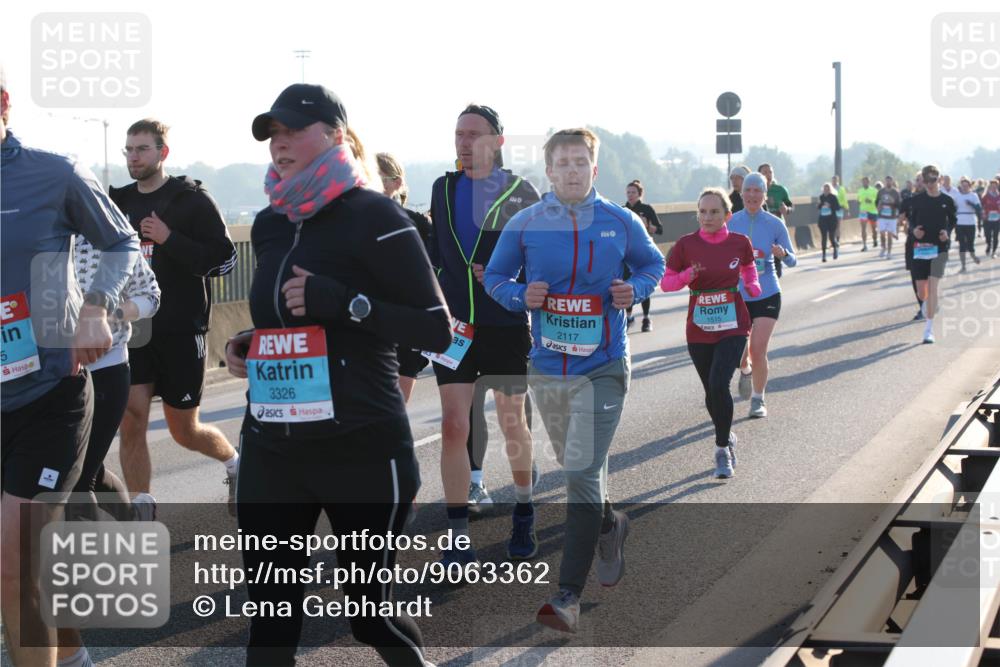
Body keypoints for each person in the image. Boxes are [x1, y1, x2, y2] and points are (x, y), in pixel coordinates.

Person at [225, 83, 451, 666]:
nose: (279, 144)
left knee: (368, 615)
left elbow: (436, 330)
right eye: (272, 134)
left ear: (336, 136)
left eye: (292, 130)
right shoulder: (273, 222)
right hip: (274, 447)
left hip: (362, 449)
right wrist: (251, 345)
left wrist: (346, 301)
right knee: (270, 624)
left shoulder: (373, 215)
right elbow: (287, 318)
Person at [485, 128, 664, 633]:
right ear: (549, 170)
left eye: (580, 162)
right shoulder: (525, 223)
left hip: (604, 366)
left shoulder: (619, 220)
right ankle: (610, 522)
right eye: (562, 162)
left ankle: (567, 596)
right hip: (548, 368)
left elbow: (654, 264)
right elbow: (495, 279)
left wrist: (636, 288)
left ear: (594, 168)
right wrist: (524, 296)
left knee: (581, 470)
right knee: (577, 465)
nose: (571, 170)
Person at [1, 81, 140, 667]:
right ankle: (72, 656)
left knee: (12, 563)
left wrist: (95, 307)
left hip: (50, 394)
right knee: (21, 572)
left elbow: (122, 241)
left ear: (3, 105)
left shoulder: (53, 174)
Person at [427, 104, 540, 564]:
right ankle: (457, 537)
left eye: (473, 134)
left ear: (497, 141)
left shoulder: (521, 192)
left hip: (504, 323)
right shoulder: (443, 188)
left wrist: (504, 276)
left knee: (512, 420)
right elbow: (434, 251)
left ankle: (524, 512)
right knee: (454, 425)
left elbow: (542, 255)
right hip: (454, 327)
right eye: (458, 134)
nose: (463, 142)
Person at [109, 119, 241, 513]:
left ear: (162, 153)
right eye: (129, 150)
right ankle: (143, 507)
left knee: (184, 430)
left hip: (182, 330)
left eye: (142, 149)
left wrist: (170, 239)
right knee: (131, 419)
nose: (134, 157)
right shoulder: (117, 202)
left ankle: (235, 463)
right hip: (135, 329)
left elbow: (226, 261)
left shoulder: (192, 200)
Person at [58, 237, 160, 667]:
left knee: (76, 478)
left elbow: (150, 296)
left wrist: (113, 313)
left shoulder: (107, 240)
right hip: (52, 374)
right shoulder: (31, 233)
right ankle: (134, 520)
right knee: (91, 470)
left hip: (106, 369)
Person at [660, 188, 760, 478]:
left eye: (714, 212)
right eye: (702, 212)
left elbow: (749, 268)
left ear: (727, 214)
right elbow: (666, 284)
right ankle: (726, 434)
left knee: (719, 383)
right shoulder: (685, 245)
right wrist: (684, 277)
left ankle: (721, 450)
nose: (707, 217)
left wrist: (752, 285)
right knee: (710, 391)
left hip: (733, 324)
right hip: (699, 327)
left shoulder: (740, 242)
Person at [728, 172, 797, 418]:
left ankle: (758, 399)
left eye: (758, 191)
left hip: (767, 293)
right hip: (739, 295)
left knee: (758, 349)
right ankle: (745, 370)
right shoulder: (731, 222)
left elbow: (793, 260)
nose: (752, 195)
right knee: (739, 352)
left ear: (765, 195)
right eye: (748, 190)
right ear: (742, 193)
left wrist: (782, 255)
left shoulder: (775, 224)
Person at [376, 151, 435, 402]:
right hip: (367, 325)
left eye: (377, 178)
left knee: (394, 410)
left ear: (396, 183)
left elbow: (433, 273)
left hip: (406, 325)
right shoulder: (348, 224)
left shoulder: (419, 224)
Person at [901, 164, 956, 344]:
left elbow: (952, 221)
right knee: (921, 290)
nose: (930, 184)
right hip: (920, 248)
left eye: (933, 180)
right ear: (923, 181)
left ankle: (928, 330)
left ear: (939, 180)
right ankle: (926, 306)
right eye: (927, 180)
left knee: (933, 288)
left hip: (939, 248)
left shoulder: (947, 200)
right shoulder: (916, 200)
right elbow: (908, 222)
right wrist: (913, 231)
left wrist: (947, 232)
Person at [624, 179, 663, 332]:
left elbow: (660, 229)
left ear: (640, 194)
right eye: (628, 192)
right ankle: (628, 317)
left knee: (642, 282)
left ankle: (646, 318)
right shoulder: (623, 210)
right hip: (626, 252)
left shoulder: (646, 209)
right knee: (626, 282)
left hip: (643, 251)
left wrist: (648, 226)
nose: (630, 195)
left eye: (633, 192)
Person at [758, 163, 792, 277]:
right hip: (761, 229)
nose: (768, 174)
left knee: (776, 260)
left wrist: (786, 209)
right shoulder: (756, 190)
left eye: (770, 172)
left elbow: (790, 206)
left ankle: (775, 280)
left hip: (777, 229)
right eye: (765, 172)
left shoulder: (780, 190)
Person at [952, 176, 983, 271]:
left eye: (966, 185)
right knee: (962, 244)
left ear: (970, 186)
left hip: (970, 221)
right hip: (960, 222)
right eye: (963, 185)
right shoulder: (957, 196)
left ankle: (973, 255)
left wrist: (971, 204)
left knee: (970, 244)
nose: (964, 187)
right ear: (960, 186)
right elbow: (953, 208)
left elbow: (979, 209)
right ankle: (963, 265)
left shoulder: (973, 195)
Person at [876, 176, 901, 259]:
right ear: (885, 182)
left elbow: (899, 205)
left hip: (892, 216)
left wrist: (893, 203)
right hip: (882, 215)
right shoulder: (881, 191)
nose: (888, 183)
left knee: (890, 234)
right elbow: (877, 202)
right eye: (887, 181)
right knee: (882, 232)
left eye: (890, 181)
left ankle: (889, 252)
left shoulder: (895, 192)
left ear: (892, 182)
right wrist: (879, 206)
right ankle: (883, 247)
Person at [817, 182, 841, 262]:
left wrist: (830, 205)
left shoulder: (833, 197)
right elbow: (818, 207)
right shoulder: (821, 197)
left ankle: (835, 248)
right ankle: (824, 255)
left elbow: (838, 208)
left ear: (830, 190)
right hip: (823, 219)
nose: (826, 190)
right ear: (823, 190)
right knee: (824, 237)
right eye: (825, 189)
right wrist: (821, 204)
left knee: (831, 237)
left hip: (832, 219)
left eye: (828, 189)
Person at [857, 176, 879, 251]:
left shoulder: (874, 190)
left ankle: (875, 239)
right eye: (863, 181)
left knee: (873, 228)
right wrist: (861, 200)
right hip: (863, 211)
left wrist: (871, 200)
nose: (864, 183)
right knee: (863, 228)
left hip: (873, 211)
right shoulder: (860, 190)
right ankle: (864, 245)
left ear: (869, 182)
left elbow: (877, 200)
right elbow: (858, 200)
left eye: (866, 181)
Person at [981, 179, 1000, 258]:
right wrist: (983, 213)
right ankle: (989, 244)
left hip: (997, 219)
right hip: (987, 218)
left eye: (995, 186)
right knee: (987, 235)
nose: (993, 187)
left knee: (995, 235)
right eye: (992, 186)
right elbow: (981, 206)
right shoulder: (985, 196)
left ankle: (994, 251)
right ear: (990, 187)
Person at [832, 174, 849, 243]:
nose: (834, 181)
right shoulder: (830, 188)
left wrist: (847, 209)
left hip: (839, 208)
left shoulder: (841, 189)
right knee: (833, 225)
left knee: (838, 225)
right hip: (832, 209)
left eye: (835, 180)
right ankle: (833, 240)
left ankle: (837, 240)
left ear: (838, 180)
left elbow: (844, 199)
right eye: (833, 180)